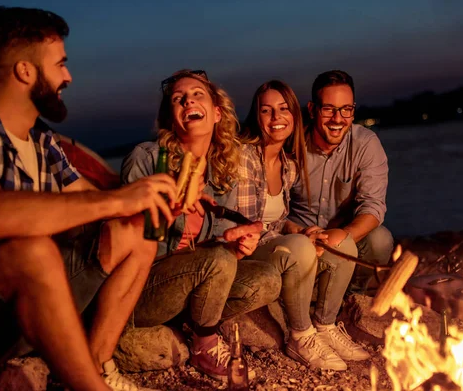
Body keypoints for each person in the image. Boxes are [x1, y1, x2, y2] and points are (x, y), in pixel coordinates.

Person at [0, 6, 171, 391]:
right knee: (31, 251)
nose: (68, 76)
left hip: (23, 314)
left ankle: (95, 363)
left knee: (136, 231)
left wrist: (146, 201)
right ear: (25, 71)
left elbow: (86, 198)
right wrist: (118, 200)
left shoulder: (41, 139)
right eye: (60, 64)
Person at [121, 70, 281, 382]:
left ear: (217, 113)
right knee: (218, 262)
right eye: (178, 99)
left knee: (266, 277)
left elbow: (215, 250)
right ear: (172, 117)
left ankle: (194, 323)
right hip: (143, 285)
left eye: (197, 95)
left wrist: (234, 245)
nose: (188, 101)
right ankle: (204, 342)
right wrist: (171, 207)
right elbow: (123, 237)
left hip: (192, 279)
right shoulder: (150, 159)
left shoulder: (223, 170)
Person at [237, 80, 369, 372]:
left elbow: (278, 219)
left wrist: (301, 231)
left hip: (268, 242)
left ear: (295, 115)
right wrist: (296, 242)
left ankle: (325, 325)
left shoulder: (287, 164)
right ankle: (300, 336)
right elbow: (247, 227)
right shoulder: (245, 157)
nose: (276, 118)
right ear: (256, 116)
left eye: (283, 109)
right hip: (242, 253)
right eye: (267, 110)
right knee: (300, 248)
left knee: (339, 242)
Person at [285, 69, 394, 356]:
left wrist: (341, 236)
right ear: (312, 109)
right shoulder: (290, 144)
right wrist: (298, 232)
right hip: (299, 235)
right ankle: (308, 319)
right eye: (329, 109)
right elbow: (270, 206)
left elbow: (373, 207)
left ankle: (350, 300)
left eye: (346, 109)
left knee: (381, 240)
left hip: (342, 233)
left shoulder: (366, 143)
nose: (338, 119)